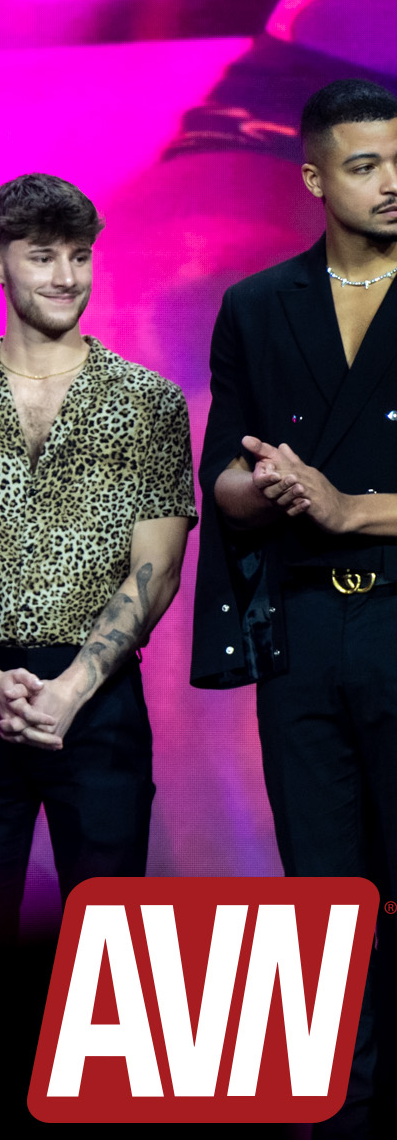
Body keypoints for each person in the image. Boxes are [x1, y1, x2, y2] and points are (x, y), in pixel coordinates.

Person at [0, 174, 195, 1130]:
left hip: (96, 705)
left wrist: (71, 689)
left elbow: (156, 568)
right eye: (43, 256)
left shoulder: (147, 403)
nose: (66, 275)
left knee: (111, 960)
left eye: (80, 255)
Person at [196, 78, 397, 1136]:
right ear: (314, 178)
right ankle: (339, 1110)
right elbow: (222, 477)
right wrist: (260, 486)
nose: (391, 182)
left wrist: (347, 506)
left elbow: (343, 501)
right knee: (323, 890)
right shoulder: (257, 305)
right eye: (365, 165)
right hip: (305, 630)